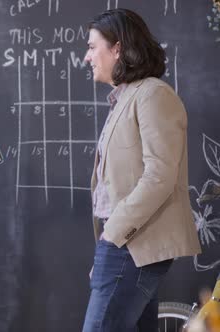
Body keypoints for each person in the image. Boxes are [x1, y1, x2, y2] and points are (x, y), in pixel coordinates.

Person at [81, 8, 201, 331]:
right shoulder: (127, 99)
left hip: (131, 244)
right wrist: (107, 243)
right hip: (125, 244)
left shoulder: (153, 95)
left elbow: (160, 177)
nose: (86, 57)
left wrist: (113, 235)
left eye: (93, 47)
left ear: (117, 48)